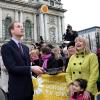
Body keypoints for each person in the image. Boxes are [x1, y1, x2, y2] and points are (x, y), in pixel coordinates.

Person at [1, 21, 43, 100]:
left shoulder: (25, 48)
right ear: (12, 30)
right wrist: (31, 68)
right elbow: (11, 68)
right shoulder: (6, 47)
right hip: (17, 89)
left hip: (28, 89)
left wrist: (37, 70)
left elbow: (26, 66)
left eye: (22, 26)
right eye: (18, 26)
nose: (22, 28)